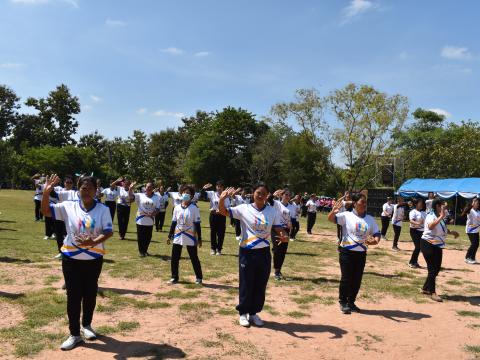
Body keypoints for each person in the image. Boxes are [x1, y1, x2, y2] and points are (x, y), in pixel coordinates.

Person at [41, 174, 113, 351]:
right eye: (83, 187)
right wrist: (45, 193)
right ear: (78, 189)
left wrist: (92, 242)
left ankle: (86, 325)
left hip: (93, 259)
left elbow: (108, 231)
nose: (86, 191)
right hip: (71, 259)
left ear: (96, 191)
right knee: (73, 296)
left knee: (90, 294)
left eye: (90, 188)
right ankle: (74, 334)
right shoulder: (68, 206)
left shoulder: (103, 209)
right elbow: (46, 211)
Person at [218, 183, 288, 327]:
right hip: (247, 252)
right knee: (246, 282)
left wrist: (284, 235)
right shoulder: (244, 209)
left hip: (263, 253)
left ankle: (254, 313)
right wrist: (221, 199)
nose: (260, 195)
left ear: (268, 195)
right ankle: (243, 313)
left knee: (260, 284)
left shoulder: (272, 211)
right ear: (253, 193)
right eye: (258, 192)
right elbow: (223, 211)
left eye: (263, 193)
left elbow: (278, 227)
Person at [328, 193, 381, 314]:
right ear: (355, 203)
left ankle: (351, 302)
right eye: (362, 202)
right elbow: (331, 219)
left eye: (365, 202)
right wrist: (333, 211)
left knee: (357, 279)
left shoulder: (370, 219)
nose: (364, 204)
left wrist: (375, 241)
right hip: (346, 251)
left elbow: (377, 234)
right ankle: (343, 302)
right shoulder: (346, 215)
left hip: (361, 253)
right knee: (346, 278)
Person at [421, 199, 459, 302]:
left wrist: (452, 232)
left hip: (437, 245)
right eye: (444, 206)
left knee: (437, 269)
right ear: (438, 206)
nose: (445, 208)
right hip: (428, 243)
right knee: (432, 269)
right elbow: (430, 226)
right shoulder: (431, 215)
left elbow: (442, 228)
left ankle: (425, 288)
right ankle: (433, 293)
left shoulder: (439, 216)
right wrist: (441, 216)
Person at [167, 184, 203, 285]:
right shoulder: (177, 207)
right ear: (181, 194)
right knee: (174, 257)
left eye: (188, 193)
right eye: (184, 192)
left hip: (190, 235)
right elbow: (174, 222)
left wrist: (199, 238)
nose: (186, 194)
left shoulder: (194, 208)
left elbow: (197, 224)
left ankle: (199, 277)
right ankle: (174, 276)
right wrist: (170, 235)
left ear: (191, 196)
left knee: (193, 257)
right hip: (178, 235)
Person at [130, 182, 160, 257]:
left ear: (152, 188)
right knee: (141, 236)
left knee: (148, 237)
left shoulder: (156, 197)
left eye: (150, 187)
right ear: (145, 188)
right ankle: (141, 251)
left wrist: (152, 214)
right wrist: (130, 189)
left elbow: (158, 209)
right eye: (147, 187)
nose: (149, 188)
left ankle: (145, 250)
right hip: (141, 219)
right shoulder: (140, 195)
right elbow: (131, 198)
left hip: (150, 220)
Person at [202, 181, 230, 255]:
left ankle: (219, 249)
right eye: (218, 186)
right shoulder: (212, 193)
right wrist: (203, 189)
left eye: (220, 186)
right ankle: (213, 249)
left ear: (222, 187)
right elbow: (203, 195)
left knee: (221, 233)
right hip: (213, 216)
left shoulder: (225, 196)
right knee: (213, 232)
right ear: (216, 187)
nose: (219, 188)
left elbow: (227, 207)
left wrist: (221, 210)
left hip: (222, 216)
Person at [271, 189, 293, 280]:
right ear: (282, 195)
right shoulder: (276, 203)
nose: (287, 196)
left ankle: (278, 270)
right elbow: (268, 200)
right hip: (276, 229)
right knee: (277, 250)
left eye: (289, 195)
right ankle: (276, 271)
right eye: (286, 195)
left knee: (283, 251)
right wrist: (273, 195)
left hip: (286, 230)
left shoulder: (292, 206)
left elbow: (290, 219)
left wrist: (290, 224)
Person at [408, 198, 426, 268]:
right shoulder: (413, 212)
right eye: (420, 203)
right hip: (414, 231)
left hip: (422, 231)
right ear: (416, 204)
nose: (421, 204)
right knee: (418, 247)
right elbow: (411, 221)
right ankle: (411, 262)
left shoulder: (423, 212)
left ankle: (415, 261)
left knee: (420, 247)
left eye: (422, 203)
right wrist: (418, 223)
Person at [464, 198, 480, 264]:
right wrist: (472, 204)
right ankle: (467, 257)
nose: (477, 204)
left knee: (476, 244)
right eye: (476, 202)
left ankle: (472, 258)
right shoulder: (470, 210)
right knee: (474, 244)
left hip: (476, 230)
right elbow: (465, 211)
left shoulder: (478, 211)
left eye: (478, 203)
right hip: (470, 230)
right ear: (473, 203)